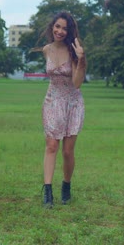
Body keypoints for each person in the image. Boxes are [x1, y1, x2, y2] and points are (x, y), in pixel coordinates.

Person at [39, 12, 86, 208]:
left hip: (72, 103)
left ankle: (66, 185)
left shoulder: (74, 51)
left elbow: (76, 84)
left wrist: (81, 59)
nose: (60, 31)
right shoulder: (46, 50)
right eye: (57, 26)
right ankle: (47, 192)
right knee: (51, 146)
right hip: (52, 100)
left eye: (64, 28)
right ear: (52, 27)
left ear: (69, 32)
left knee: (67, 151)